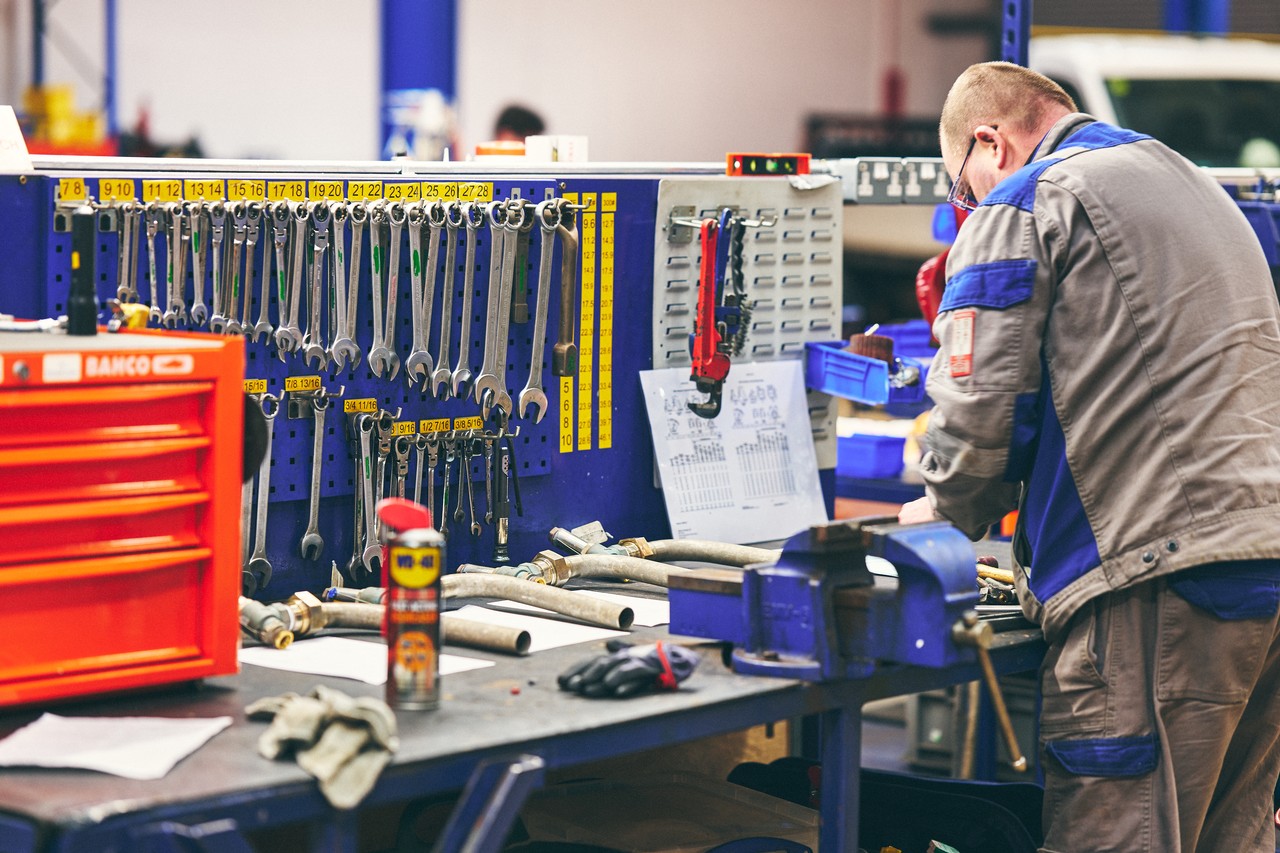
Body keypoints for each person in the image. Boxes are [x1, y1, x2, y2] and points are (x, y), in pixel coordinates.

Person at [899, 61, 1280, 852]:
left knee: (1119, 833)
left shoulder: (1026, 200)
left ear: (989, 142)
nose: (965, 210)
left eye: (958, 192)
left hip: (1156, 584)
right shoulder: (1194, 184)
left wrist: (937, 510)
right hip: (1263, 573)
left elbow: (981, 413)